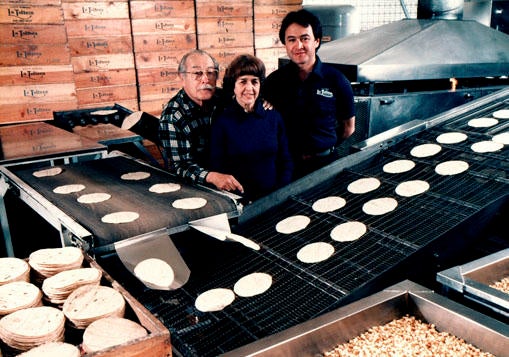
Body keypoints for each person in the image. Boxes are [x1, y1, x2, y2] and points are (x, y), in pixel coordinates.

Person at [263, 9, 356, 179]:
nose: (298, 46)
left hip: (326, 165)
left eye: (305, 38)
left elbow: (349, 128)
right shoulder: (274, 81)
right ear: (285, 44)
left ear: (317, 41)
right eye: (292, 40)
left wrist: (324, 145)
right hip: (285, 167)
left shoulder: (337, 80)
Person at [209, 54, 293, 202]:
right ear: (233, 86)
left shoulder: (273, 117)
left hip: (274, 197)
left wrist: (280, 192)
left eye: (255, 81)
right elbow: (218, 167)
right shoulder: (222, 122)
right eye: (243, 82)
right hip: (240, 201)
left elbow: (285, 160)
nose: (250, 88)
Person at [158, 49, 244, 193]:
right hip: (197, 188)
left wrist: (264, 102)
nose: (205, 79)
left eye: (211, 73)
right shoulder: (173, 116)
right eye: (197, 73)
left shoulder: (225, 98)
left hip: (235, 177)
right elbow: (181, 166)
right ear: (182, 77)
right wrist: (212, 177)